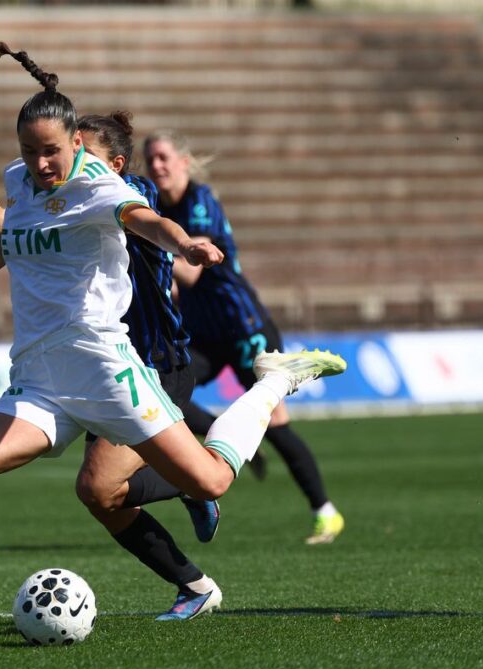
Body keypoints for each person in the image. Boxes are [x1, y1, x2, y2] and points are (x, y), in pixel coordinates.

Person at [0, 42, 345, 620]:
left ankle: (274, 383)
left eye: (51, 151)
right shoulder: (23, 178)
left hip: (107, 370)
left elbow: (144, 219)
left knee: (211, 481)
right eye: (30, 151)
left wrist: (186, 244)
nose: (41, 163)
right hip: (39, 378)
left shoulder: (99, 184)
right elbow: (8, 228)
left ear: (76, 143)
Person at [0, 110, 224, 620]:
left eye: (83, 157)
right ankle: (193, 584)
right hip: (90, 365)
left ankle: (203, 469)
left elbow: (151, 223)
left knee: (106, 486)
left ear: (113, 164)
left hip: (153, 358)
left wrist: (185, 244)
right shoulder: (60, 191)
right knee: (97, 492)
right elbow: (18, 234)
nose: (63, 168)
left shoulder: (116, 191)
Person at [143, 129, 345, 545]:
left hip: (244, 327)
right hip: (200, 333)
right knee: (160, 390)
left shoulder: (200, 203)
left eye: (163, 157)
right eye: (151, 159)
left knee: (275, 423)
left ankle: (325, 512)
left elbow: (191, 270)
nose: (157, 166)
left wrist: (146, 244)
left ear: (184, 160)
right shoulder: (158, 208)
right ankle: (224, 430)